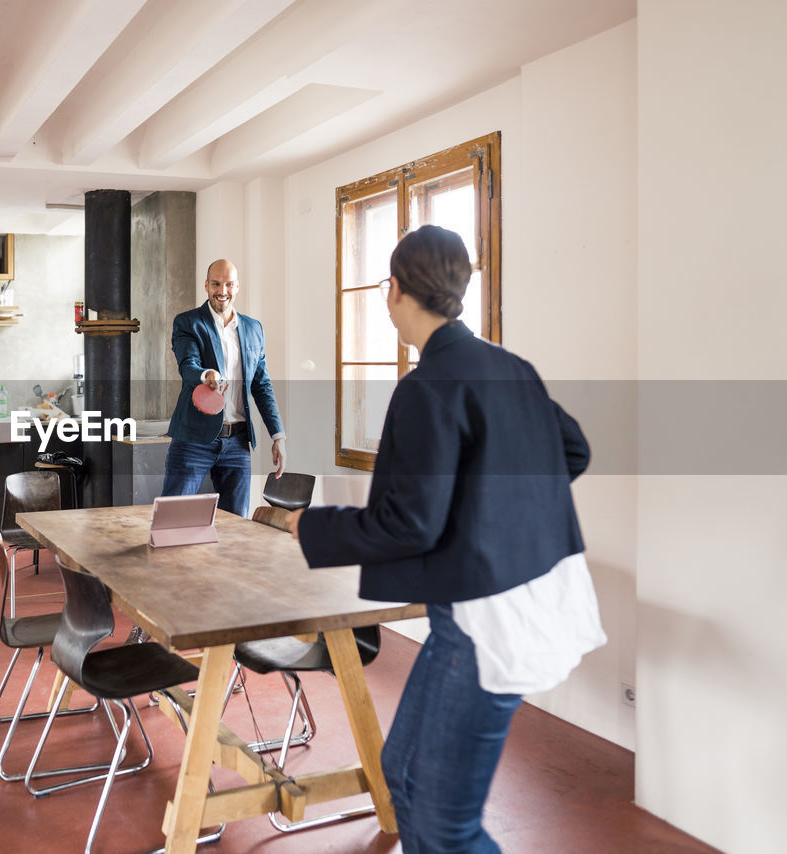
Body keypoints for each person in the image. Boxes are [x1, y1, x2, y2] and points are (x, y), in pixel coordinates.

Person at [289, 225, 606, 853]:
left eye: (386, 287)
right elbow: (572, 450)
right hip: (493, 610)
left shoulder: (425, 388)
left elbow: (410, 523)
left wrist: (311, 525)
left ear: (398, 290)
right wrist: (494, 510)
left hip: (490, 625)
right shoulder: (510, 368)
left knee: (443, 827)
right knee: (402, 778)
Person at [162, 258, 286, 517]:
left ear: (237, 287)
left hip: (238, 443)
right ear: (206, 285)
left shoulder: (253, 328)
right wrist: (206, 374)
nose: (222, 291)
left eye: (229, 284)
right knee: (172, 518)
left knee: (236, 525)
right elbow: (188, 365)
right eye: (216, 284)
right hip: (193, 439)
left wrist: (278, 436)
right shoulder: (188, 322)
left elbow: (262, 385)